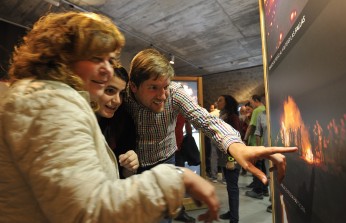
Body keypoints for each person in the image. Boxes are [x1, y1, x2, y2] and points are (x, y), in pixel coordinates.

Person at [0, 11, 220, 223]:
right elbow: (88, 210)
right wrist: (175, 178)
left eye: (109, 60)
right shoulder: (50, 102)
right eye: (97, 58)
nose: (107, 71)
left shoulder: (46, 97)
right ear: (61, 58)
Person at [122, 48, 297, 219]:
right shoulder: (122, 95)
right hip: (130, 162)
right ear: (134, 87)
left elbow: (204, 118)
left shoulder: (174, 93)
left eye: (165, 86)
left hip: (165, 158)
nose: (162, 95)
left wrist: (236, 146)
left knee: (163, 213)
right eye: (153, 87)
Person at [96, 66, 139, 178]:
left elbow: (125, 175)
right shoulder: (79, 119)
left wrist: (130, 164)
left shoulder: (125, 121)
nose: (117, 100)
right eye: (110, 91)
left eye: (122, 93)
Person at [216, 95, 243, 223]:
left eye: (220, 100)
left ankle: (234, 219)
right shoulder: (224, 116)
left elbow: (236, 139)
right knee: (230, 187)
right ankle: (232, 212)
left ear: (227, 103)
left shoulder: (233, 118)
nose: (217, 102)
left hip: (231, 158)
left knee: (232, 188)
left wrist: (231, 160)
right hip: (225, 156)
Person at [245, 94, 268, 199]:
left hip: (256, 143)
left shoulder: (257, 111)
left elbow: (251, 127)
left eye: (251, 102)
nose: (251, 104)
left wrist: (245, 139)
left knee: (257, 167)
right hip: (265, 144)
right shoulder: (263, 110)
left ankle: (258, 190)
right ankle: (264, 189)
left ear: (255, 100)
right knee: (263, 167)